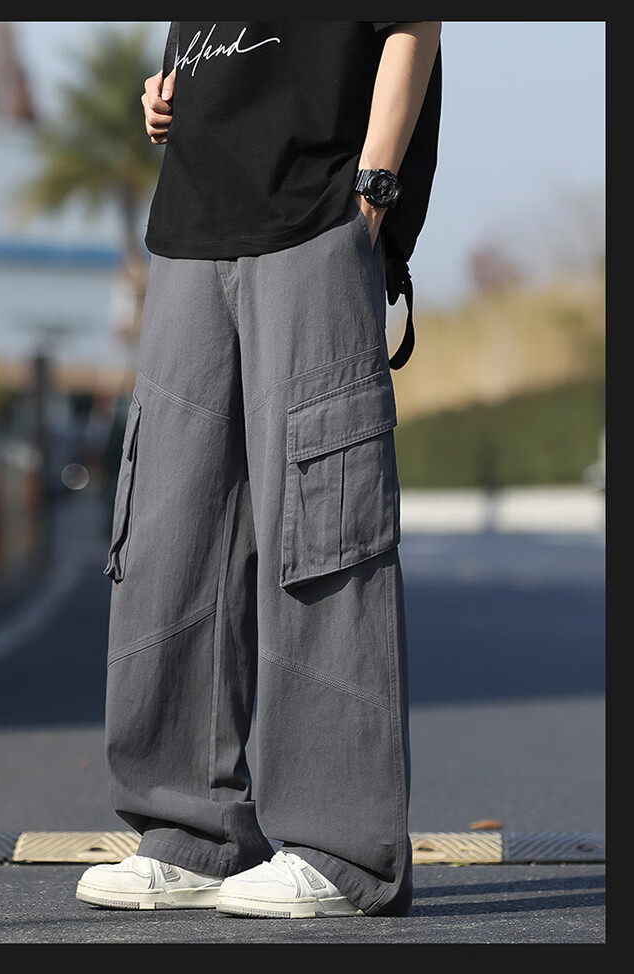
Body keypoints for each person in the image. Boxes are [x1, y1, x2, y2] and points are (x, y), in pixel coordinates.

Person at [76, 20, 442, 918]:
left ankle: (340, 846)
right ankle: (188, 832)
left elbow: (414, 24)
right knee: (169, 527)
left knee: (324, 520)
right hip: (192, 217)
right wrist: (170, 87)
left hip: (317, 209)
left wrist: (374, 190)